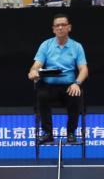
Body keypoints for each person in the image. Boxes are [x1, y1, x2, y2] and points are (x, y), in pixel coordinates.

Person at [27, 14, 88, 144]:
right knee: (41, 95)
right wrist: (33, 71)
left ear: (69, 27)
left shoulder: (77, 46)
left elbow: (84, 69)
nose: (60, 28)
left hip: (69, 85)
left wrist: (77, 83)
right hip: (49, 86)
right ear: (53, 29)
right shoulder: (46, 45)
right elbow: (37, 65)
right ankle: (48, 133)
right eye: (57, 26)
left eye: (63, 25)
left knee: (76, 95)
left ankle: (71, 133)